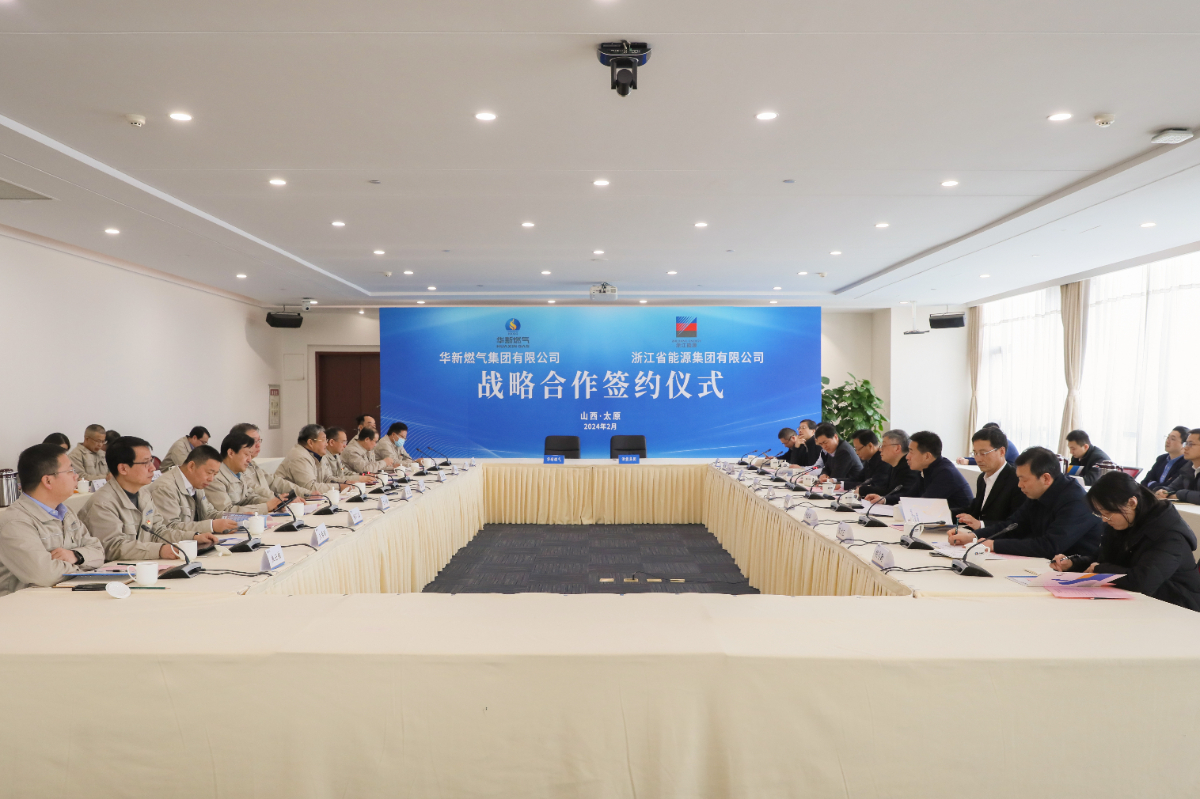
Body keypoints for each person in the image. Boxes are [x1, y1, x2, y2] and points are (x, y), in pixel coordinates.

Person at [1052, 472, 1200, 611]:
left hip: (1177, 607)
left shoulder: (1170, 534)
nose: (1104, 520)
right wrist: (1073, 563)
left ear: (1132, 502)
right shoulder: (1125, 520)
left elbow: (1143, 582)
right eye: (1101, 514)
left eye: (1108, 513)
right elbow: (1103, 560)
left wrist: (1100, 570)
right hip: (1139, 603)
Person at [949, 447, 1102, 559]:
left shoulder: (1076, 501)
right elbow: (1012, 526)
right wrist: (972, 536)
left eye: (1024, 479)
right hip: (1044, 565)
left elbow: (1050, 546)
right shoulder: (1038, 493)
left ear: (1046, 478)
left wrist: (994, 545)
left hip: (1076, 573)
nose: (1019, 485)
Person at [79, 436, 213, 561]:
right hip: (117, 572)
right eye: (145, 463)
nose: (153, 468)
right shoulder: (102, 503)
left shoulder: (143, 494)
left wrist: (193, 537)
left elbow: (158, 531)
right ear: (123, 468)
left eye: (151, 461)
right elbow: (112, 548)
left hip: (141, 563)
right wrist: (160, 550)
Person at [0, 444, 105, 596]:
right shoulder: (16, 522)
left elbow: (99, 553)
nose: (76, 476)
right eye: (70, 471)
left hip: (63, 596)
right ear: (48, 481)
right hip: (27, 604)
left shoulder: (65, 512)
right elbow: (44, 574)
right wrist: (84, 566)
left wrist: (76, 555)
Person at [150, 446, 240, 538]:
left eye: (215, 474)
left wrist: (238, 517)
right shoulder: (165, 488)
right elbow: (169, 527)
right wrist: (211, 526)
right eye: (209, 473)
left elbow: (209, 513)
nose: (211, 479)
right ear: (191, 466)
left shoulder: (197, 482)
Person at [956, 427, 1026, 529]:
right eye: (975, 453)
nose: (978, 459)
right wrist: (943, 513)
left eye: (983, 453)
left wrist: (981, 525)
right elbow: (974, 510)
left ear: (1002, 451)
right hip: (979, 535)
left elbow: (1016, 523)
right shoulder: (982, 478)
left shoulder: (1017, 481)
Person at [206, 432, 288, 514]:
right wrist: (266, 507)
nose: (249, 460)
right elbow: (226, 512)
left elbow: (249, 498)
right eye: (246, 454)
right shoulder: (215, 478)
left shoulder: (239, 474)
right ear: (231, 453)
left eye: (250, 455)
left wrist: (274, 503)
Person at [895, 430, 974, 509]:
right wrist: (888, 500)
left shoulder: (945, 473)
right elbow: (909, 497)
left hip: (958, 516)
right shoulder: (925, 469)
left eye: (911, 452)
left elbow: (924, 505)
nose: (907, 457)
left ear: (927, 456)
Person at [276, 424, 363, 495]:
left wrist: (347, 482)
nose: (326, 444)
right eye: (324, 440)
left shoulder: (318, 455)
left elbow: (327, 479)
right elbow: (310, 487)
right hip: (289, 502)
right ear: (310, 442)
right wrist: (340, 487)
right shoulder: (299, 457)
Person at [229, 422, 306, 499]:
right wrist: (280, 500)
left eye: (259, 441)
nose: (258, 445)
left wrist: (306, 493)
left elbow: (275, 482)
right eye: (253, 442)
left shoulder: (252, 464)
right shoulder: (237, 468)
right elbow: (255, 491)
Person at [860, 429, 920, 504]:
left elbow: (906, 496)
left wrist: (884, 500)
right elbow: (888, 490)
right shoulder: (894, 465)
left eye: (884, 446)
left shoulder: (909, 467)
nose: (880, 449)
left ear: (897, 448)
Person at [1156, 429, 1200, 505]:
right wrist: (1164, 491)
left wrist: (1180, 494)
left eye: (1190, 444)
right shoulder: (1188, 468)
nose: (1185, 448)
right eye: (1186, 444)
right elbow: (1173, 487)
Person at [1142, 425, 1191, 491]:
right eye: (1167, 437)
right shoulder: (1161, 459)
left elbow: (1170, 487)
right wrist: (1158, 485)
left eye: (1172, 439)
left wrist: (1151, 484)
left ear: (1184, 444)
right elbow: (1145, 482)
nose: (1167, 441)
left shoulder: (1187, 463)